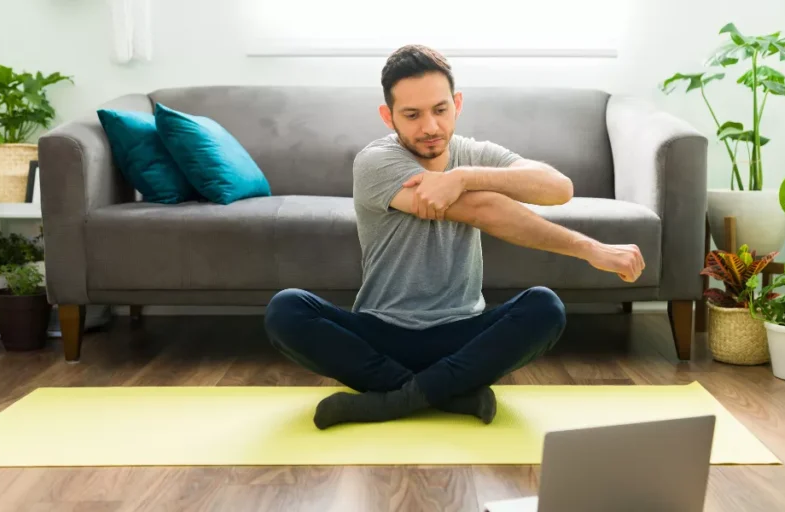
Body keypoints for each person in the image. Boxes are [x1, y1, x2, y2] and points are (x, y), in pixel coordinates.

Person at [264, 44, 645, 430]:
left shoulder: (473, 155)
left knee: (545, 307)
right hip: (381, 333)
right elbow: (484, 210)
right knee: (286, 309)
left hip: (462, 334)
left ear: (457, 104)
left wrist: (464, 176)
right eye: (412, 115)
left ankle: (393, 399)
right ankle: (445, 393)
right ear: (388, 116)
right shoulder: (375, 161)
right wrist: (588, 248)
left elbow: (558, 188)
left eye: (440, 110)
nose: (430, 127)